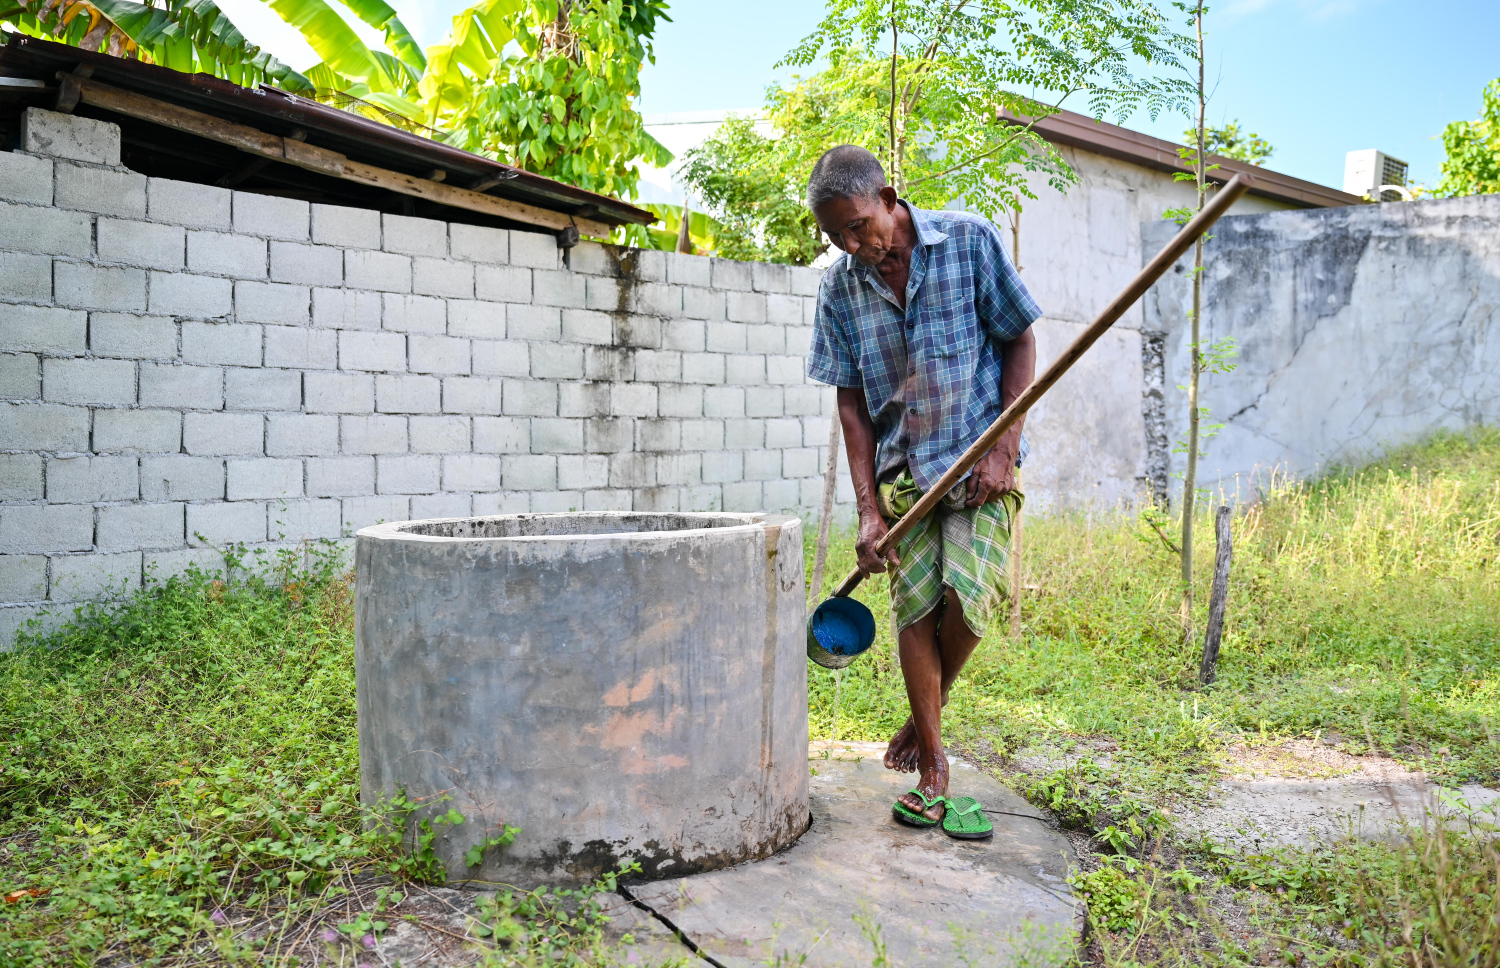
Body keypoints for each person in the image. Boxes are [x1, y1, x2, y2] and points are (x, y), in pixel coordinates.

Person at [805, 145, 1039, 827]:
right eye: (836, 237)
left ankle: (920, 718)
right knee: (913, 612)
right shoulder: (839, 289)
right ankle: (935, 767)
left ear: (888, 196)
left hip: (977, 468)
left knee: (966, 604)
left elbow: (1020, 340)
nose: (852, 246)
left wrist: (1004, 448)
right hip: (902, 474)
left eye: (858, 227)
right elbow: (850, 404)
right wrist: (868, 511)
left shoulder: (968, 242)